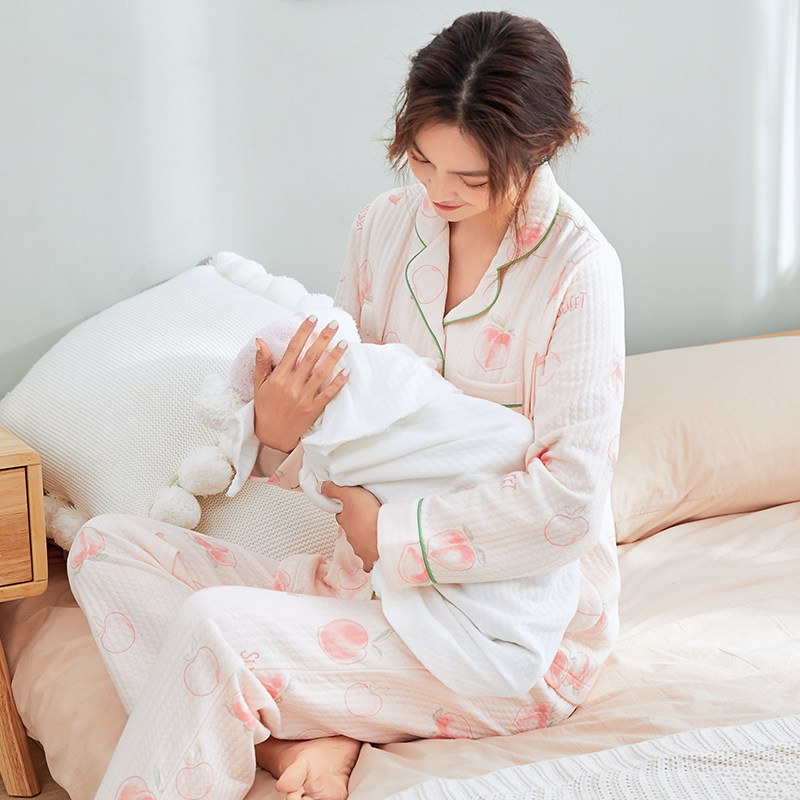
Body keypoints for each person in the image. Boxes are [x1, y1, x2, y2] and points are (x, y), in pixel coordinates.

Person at [69, 11, 624, 800]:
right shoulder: (385, 228)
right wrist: (276, 429)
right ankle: (299, 738)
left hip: (505, 633)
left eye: (470, 179)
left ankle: (286, 723)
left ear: (544, 148)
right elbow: (351, 412)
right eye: (424, 161)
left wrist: (393, 534)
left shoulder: (580, 271)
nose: (437, 192)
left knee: (215, 629)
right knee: (103, 549)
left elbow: (569, 500)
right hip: (358, 582)